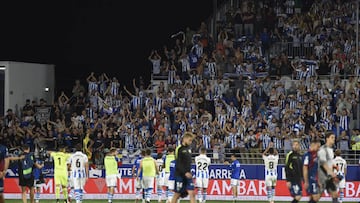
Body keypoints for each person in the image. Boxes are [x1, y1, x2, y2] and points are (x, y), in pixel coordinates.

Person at [172, 132, 196, 203]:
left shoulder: (189, 149)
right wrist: (185, 172)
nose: (190, 142)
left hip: (188, 175)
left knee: (192, 193)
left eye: (191, 140)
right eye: (189, 140)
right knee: (177, 194)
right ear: (184, 139)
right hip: (180, 175)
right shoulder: (179, 149)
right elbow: (178, 163)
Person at [317, 131, 339, 203]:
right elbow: (323, 163)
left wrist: (334, 166)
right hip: (322, 176)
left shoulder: (331, 150)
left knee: (335, 194)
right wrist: (331, 173)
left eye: (334, 138)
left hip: (328, 177)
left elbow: (329, 162)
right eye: (332, 138)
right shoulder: (323, 149)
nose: (333, 139)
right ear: (327, 139)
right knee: (317, 197)